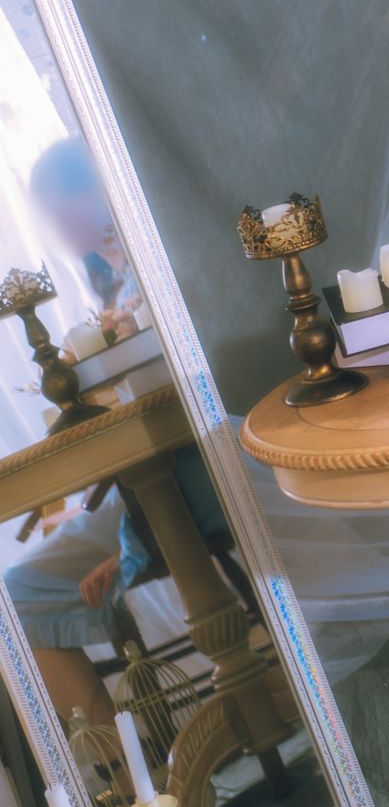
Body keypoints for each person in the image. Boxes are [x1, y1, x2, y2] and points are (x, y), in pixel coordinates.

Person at [5, 136, 230, 727]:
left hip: (195, 475)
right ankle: (126, 766)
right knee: (14, 594)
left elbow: (190, 401)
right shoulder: (105, 278)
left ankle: (155, 751)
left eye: (59, 211)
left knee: (27, 588)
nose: (57, 229)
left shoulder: (156, 254)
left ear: (94, 191)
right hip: (144, 484)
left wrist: (130, 543)